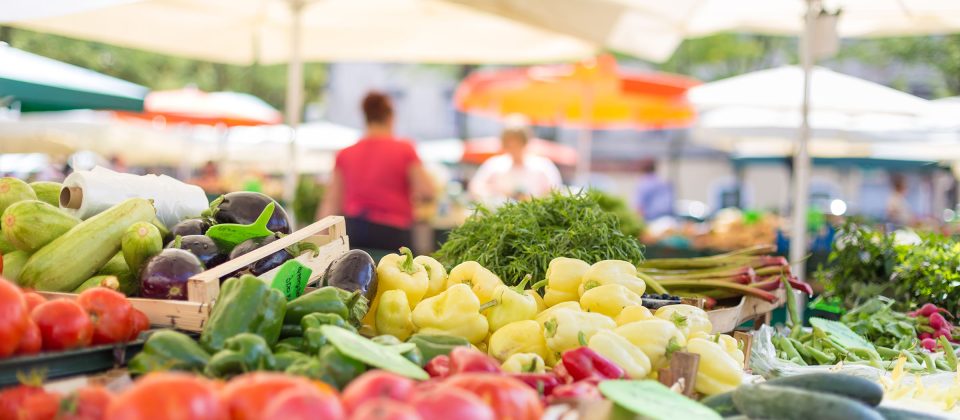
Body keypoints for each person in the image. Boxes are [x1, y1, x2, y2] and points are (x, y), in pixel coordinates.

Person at [318, 91, 434, 250]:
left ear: (365, 117)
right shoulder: (405, 149)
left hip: (354, 230)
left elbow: (331, 202)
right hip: (393, 232)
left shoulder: (346, 153)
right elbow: (427, 191)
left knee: (356, 273)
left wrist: (320, 241)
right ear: (390, 117)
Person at [468, 117, 563, 207]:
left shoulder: (543, 167)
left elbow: (555, 193)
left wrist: (532, 199)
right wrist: (497, 192)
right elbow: (475, 188)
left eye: (517, 144)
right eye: (509, 144)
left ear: (525, 142)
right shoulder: (494, 165)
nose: (514, 148)